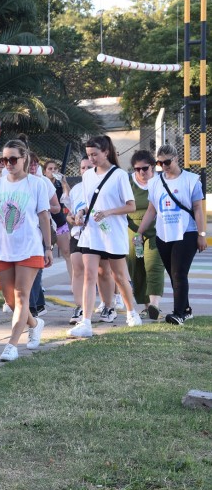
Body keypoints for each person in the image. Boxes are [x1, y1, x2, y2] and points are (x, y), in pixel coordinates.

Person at [0, 139, 52, 362]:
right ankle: (34, 323)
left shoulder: (36, 184)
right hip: (4, 249)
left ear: (24, 159)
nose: (8, 163)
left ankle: (11, 345)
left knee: (22, 296)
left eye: (13, 159)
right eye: (4, 160)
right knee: (10, 300)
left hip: (30, 247)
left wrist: (48, 247)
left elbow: (43, 216)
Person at [68, 135, 142, 338]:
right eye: (88, 155)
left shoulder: (119, 175)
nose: (91, 159)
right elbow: (85, 201)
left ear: (106, 152)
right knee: (89, 275)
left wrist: (108, 212)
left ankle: (131, 312)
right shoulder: (87, 176)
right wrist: (81, 213)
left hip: (113, 233)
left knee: (118, 276)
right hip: (92, 232)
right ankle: (86, 321)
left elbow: (131, 205)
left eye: (95, 154)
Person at [135, 144, 207, 325]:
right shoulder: (155, 182)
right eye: (159, 163)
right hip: (164, 234)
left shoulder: (191, 180)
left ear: (176, 159)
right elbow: (152, 210)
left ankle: (178, 314)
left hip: (186, 232)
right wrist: (140, 231)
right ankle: (187, 309)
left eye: (167, 162)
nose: (163, 166)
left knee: (179, 273)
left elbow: (198, 209)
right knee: (174, 273)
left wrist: (202, 234)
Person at [127, 150, 165, 320]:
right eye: (137, 169)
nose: (141, 172)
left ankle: (155, 304)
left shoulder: (161, 182)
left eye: (145, 168)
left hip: (156, 229)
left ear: (153, 166)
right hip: (133, 230)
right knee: (137, 268)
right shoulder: (128, 183)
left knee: (154, 266)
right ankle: (147, 306)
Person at [27, 151, 61, 317]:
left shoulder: (43, 182)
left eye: (35, 164)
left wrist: (42, 207)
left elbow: (56, 207)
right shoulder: (16, 182)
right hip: (23, 231)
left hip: (41, 229)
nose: (33, 167)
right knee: (29, 271)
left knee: (36, 269)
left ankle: (32, 306)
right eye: (30, 164)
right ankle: (38, 303)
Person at [43, 159, 72, 281]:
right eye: (50, 169)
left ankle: (74, 282)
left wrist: (64, 183)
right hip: (46, 223)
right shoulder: (41, 183)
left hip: (60, 222)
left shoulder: (59, 185)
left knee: (67, 252)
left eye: (55, 169)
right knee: (42, 254)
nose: (53, 171)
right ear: (44, 172)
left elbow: (68, 197)